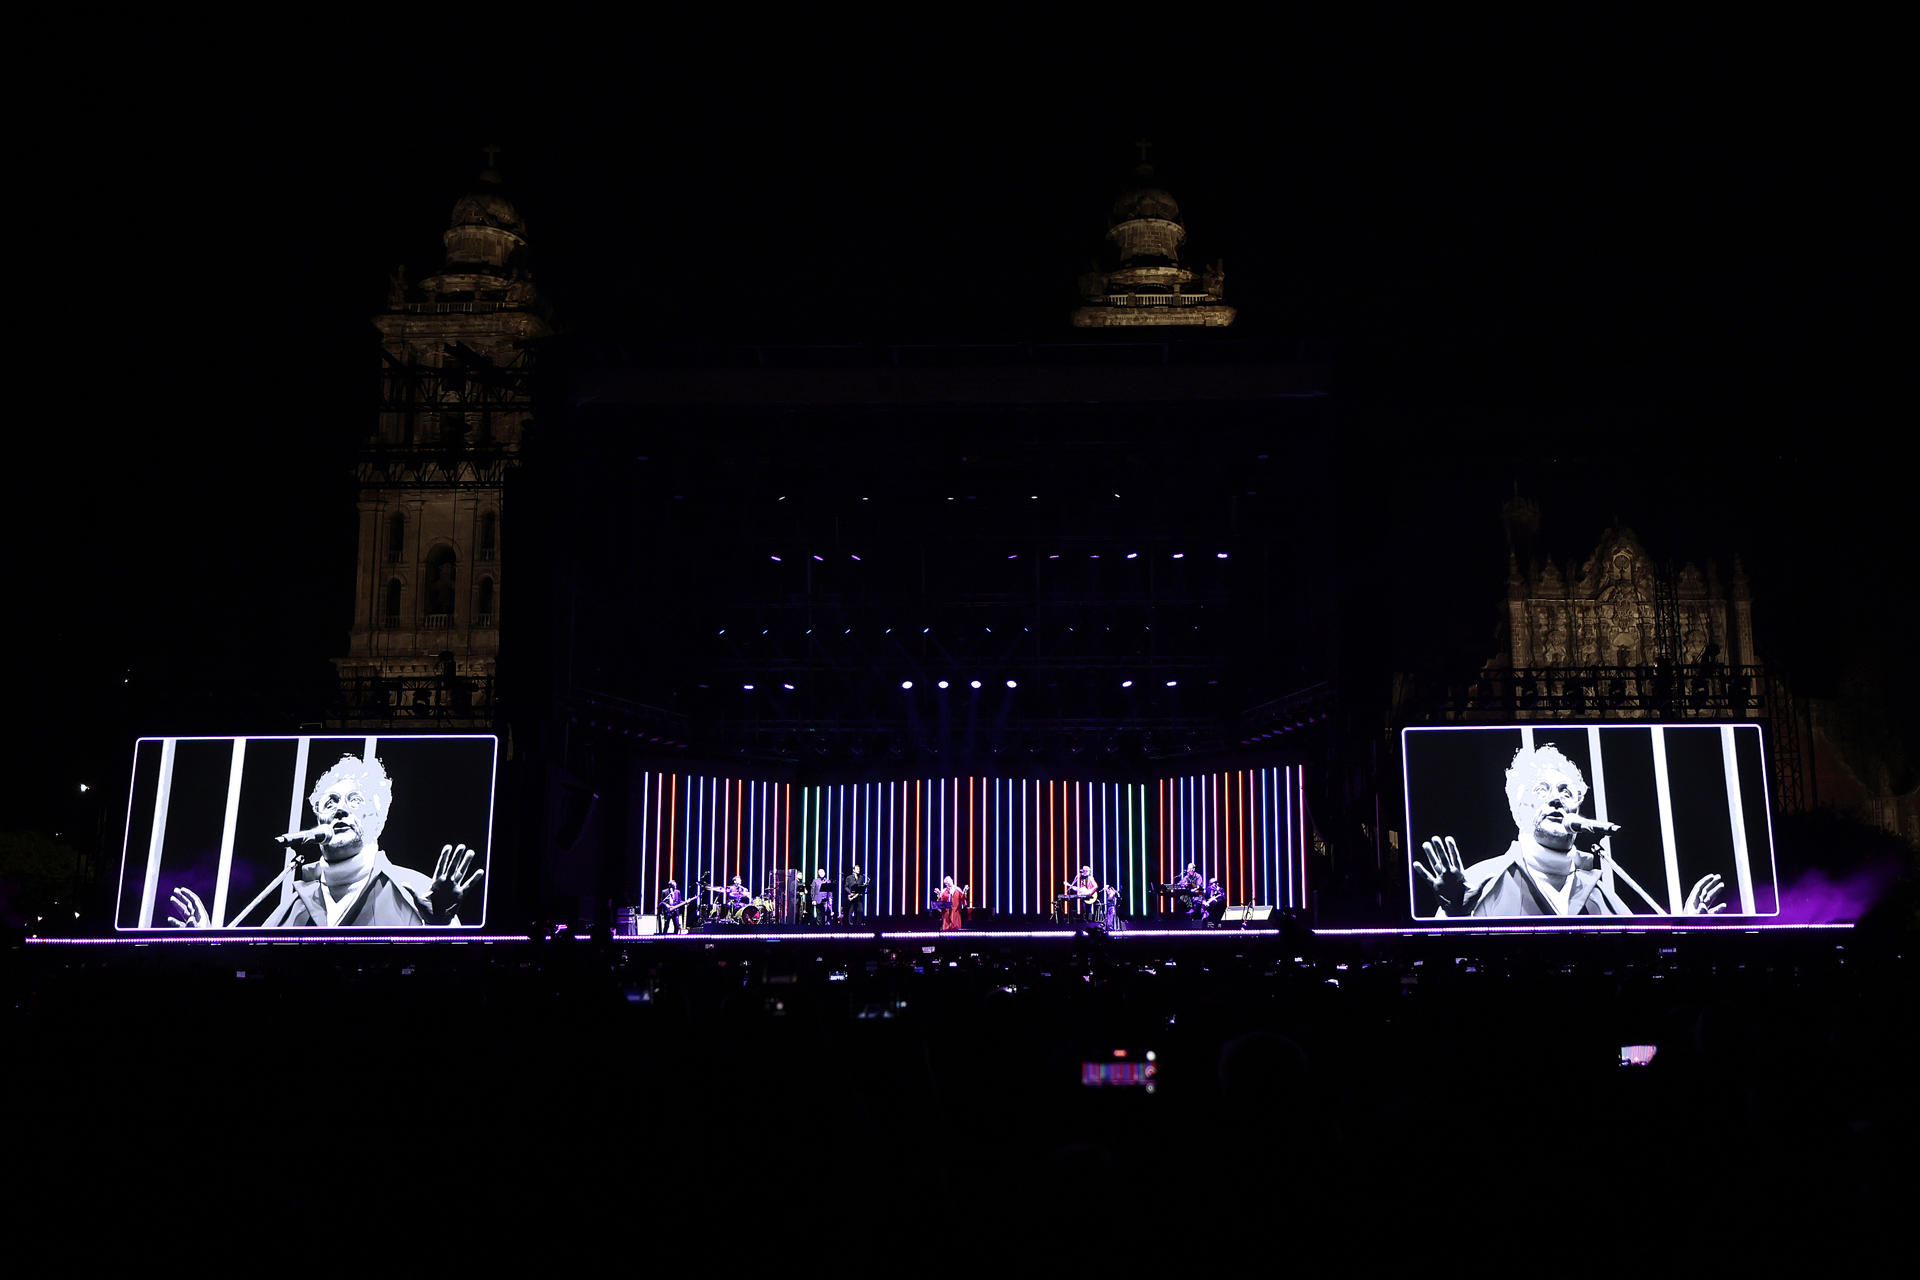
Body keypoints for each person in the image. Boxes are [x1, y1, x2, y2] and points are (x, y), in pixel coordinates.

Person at [167, 753, 480, 928]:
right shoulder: (292, 904)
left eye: (354, 800)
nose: (340, 808)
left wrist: (441, 924)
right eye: (330, 802)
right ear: (317, 818)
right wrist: (208, 945)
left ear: (378, 815)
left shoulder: (414, 890)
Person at [1416, 743, 1727, 919]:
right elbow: (1447, 973)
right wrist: (1455, 913)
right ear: (1518, 806)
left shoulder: (1600, 892)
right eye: (1542, 789)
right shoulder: (1482, 880)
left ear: (1578, 807)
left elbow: (1642, 967)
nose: (1556, 798)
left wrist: (1689, 929)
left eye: (1566, 792)